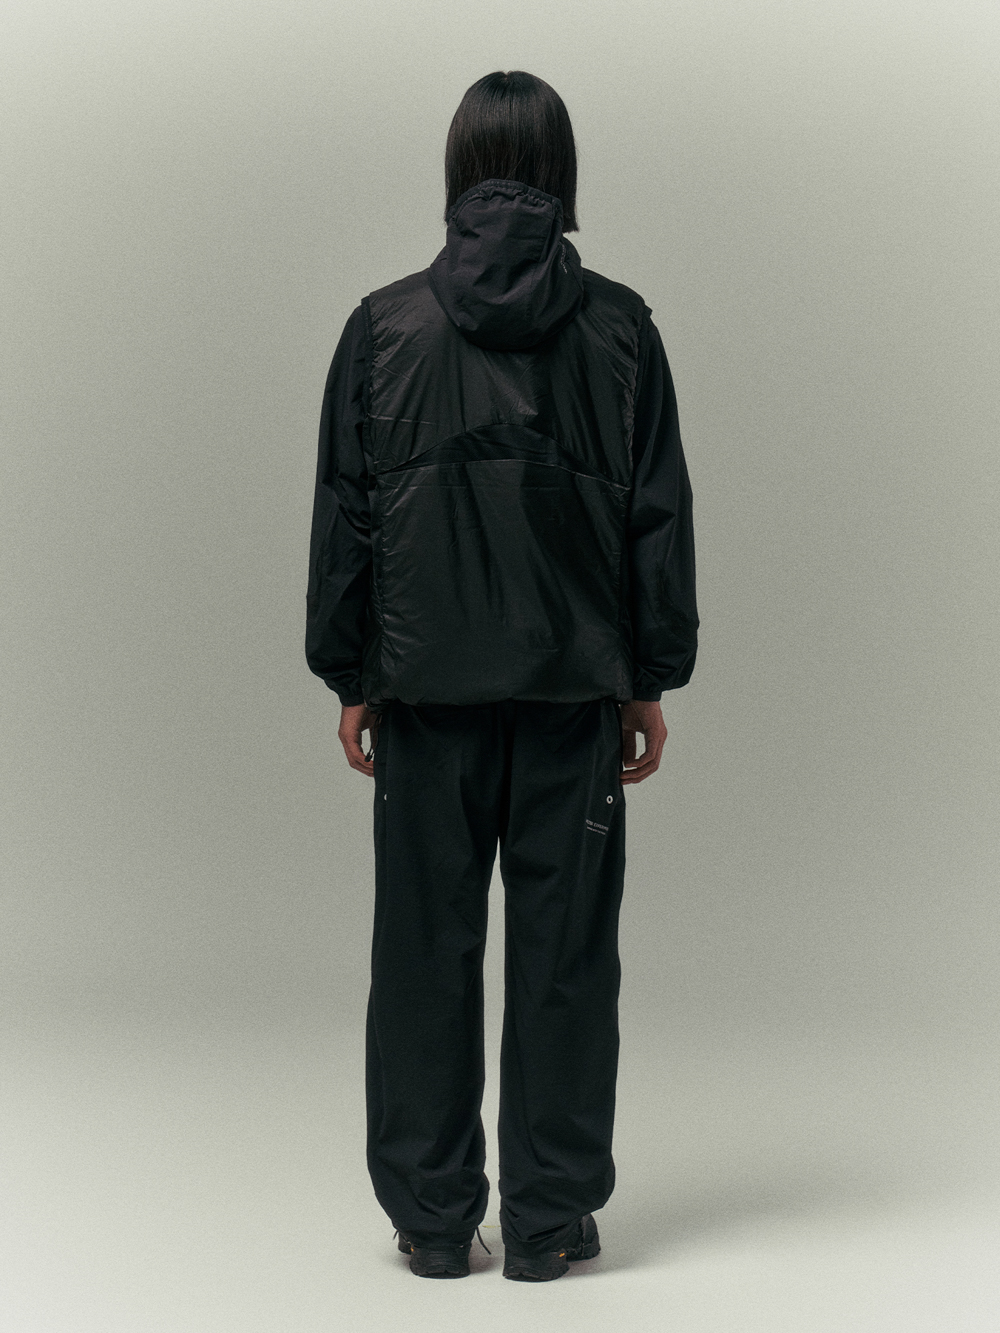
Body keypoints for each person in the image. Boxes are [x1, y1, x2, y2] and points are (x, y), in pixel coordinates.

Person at [305, 70, 698, 1282]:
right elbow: (655, 516)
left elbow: (346, 512)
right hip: (573, 694)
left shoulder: (382, 327)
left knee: (422, 954)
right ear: (563, 174)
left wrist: (352, 674)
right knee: (565, 956)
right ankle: (547, 1221)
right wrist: (648, 677)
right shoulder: (621, 328)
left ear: (456, 170)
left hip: (425, 696)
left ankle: (432, 1223)